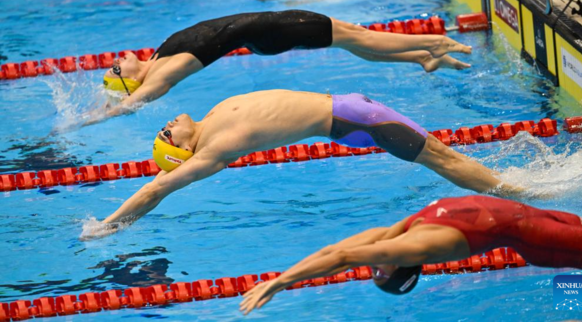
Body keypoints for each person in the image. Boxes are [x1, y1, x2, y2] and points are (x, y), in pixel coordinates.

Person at [81, 90, 526, 240]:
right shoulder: (218, 145)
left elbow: (162, 176)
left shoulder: (213, 118)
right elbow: (157, 188)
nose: (164, 126)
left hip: (351, 113)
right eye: (165, 137)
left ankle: (514, 187)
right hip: (358, 119)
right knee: (443, 160)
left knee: (444, 158)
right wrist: (109, 224)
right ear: (184, 151)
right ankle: (523, 193)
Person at [85, 10, 471, 126]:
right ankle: (432, 43)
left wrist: (99, 103)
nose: (115, 64)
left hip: (269, 31)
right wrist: (94, 117)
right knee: (362, 37)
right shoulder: (166, 72)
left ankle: (418, 57)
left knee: (354, 38)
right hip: (274, 30)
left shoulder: (156, 59)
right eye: (115, 72)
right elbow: (142, 99)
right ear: (133, 80)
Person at [239, 195, 582, 315]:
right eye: (376, 273)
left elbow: (335, 251)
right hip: (540, 239)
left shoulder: (402, 231)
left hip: (539, 217)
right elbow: (347, 257)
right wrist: (282, 284)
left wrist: (281, 278)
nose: (371, 267)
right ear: (397, 269)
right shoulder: (418, 246)